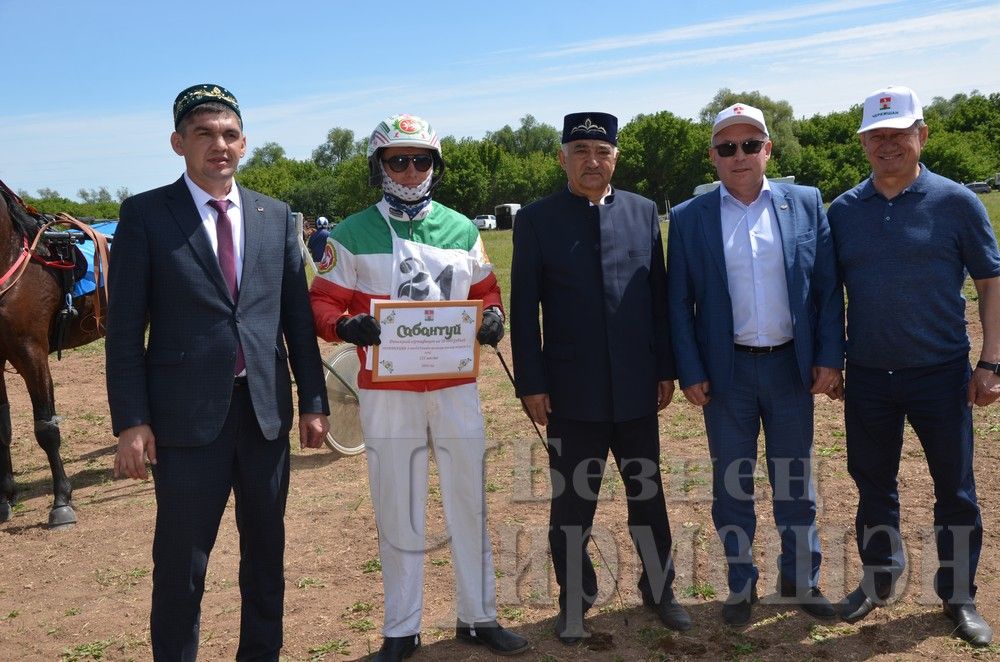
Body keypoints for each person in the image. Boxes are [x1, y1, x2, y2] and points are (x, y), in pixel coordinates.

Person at [105, 83, 330, 661]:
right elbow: (125, 331)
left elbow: (295, 319)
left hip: (264, 416)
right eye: (203, 134)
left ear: (245, 143)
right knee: (181, 565)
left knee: (266, 559)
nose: (218, 145)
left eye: (229, 134)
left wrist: (313, 399)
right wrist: (132, 421)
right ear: (179, 142)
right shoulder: (146, 215)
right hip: (183, 424)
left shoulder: (275, 215)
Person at [309, 114, 528, 661]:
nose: (410, 171)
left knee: (468, 501)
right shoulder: (352, 232)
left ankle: (478, 618)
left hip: (455, 386)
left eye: (421, 160)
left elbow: (487, 290)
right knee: (397, 505)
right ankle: (401, 629)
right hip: (388, 391)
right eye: (397, 160)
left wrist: (494, 316)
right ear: (379, 166)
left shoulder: (461, 228)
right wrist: (344, 327)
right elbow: (322, 302)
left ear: (435, 165)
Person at [510, 112, 692, 643]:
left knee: (649, 499)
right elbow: (526, 311)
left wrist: (664, 369)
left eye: (602, 151)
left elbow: (657, 298)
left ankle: (660, 592)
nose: (593, 161)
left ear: (616, 156)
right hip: (572, 393)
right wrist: (532, 383)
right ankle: (574, 600)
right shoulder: (539, 220)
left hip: (638, 387)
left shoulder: (640, 212)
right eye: (581, 151)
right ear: (563, 157)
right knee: (572, 505)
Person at [829, 86, 999, 646]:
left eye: (898, 133)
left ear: (921, 135)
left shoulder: (956, 203)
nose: (888, 145)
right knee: (873, 484)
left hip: (941, 372)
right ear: (863, 144)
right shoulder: (845, 211)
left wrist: (992, 360)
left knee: (955, 489)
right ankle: (879, 577)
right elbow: (828, 295)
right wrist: (833, 360)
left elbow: (990, 283)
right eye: (876, 136)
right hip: (871, 376)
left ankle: (958, 596)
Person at [666, 103, 843, 627]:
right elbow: (679, 304)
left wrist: (829, 356)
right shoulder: (689, 218)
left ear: (768, 149)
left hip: (791, 367)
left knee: (795, 481)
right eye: (727, 147)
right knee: (732, 484)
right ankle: (740, 583)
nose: (739, 155)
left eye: (750, 145)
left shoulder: (806, 203)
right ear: (713, 157)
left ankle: (800, 578)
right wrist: (691, 368)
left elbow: (829, 291)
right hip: (727, 374)